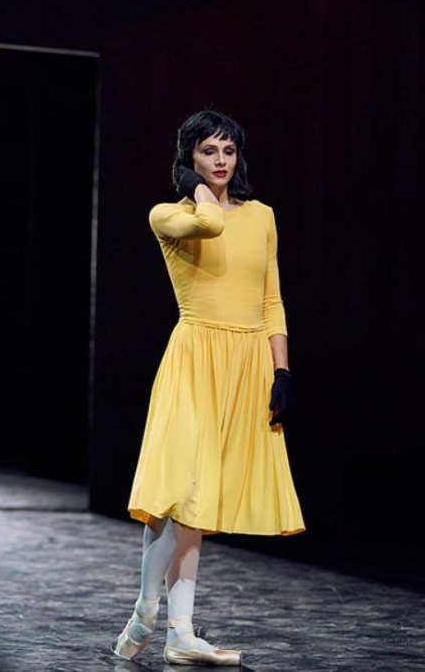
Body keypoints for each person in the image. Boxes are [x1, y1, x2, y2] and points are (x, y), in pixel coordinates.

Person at [113, 110, 305, 666]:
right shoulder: (169, 214)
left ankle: (178, 632)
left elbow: (271, 300)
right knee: (180, 493)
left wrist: (282, 371)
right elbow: (211, 226)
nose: (221, 161)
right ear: (189, 158)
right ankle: (147, 612)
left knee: (196, 503)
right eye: (208, 151)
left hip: (246, 363)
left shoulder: (263, 216)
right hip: (196, 357)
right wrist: (196, 189)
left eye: (228, 150)